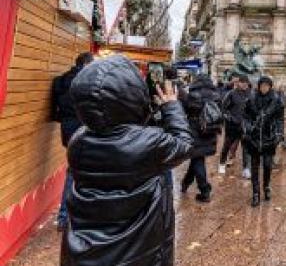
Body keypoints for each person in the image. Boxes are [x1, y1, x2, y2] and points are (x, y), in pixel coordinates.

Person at [61, 55, 194, 266]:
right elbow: (184, 144)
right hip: (139, 253)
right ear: (131, 96)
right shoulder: (147, 142)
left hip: (85, 252)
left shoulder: (79, 141)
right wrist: (171, 106)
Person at [51, 52, 94, 231]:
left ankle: (65, 217)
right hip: (83, 131)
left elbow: (55, 108)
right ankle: (69, 216)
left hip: (67, 132)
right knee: (80, 173)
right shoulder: (86, 82)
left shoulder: (61, 80)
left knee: (75, 171)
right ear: (86, 64)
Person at [243, 76, 284, 207]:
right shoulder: (252, 99)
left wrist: (278, 134)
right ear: (259, 86)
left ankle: (266, 186)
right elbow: (246, 117)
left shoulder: (276, 100)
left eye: (266, 85)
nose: (264, 88)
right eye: (262, 85)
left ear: (270, 87)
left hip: (269, 138)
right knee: (254, 167)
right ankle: (255, 193)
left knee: (267, 165)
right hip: (254, 138)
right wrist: (247, 129)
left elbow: (280, 119)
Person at [182, 74, 220, 202]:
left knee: (197, 159)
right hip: (210, 130)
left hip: (195, 130)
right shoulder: (215, 95)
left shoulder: (192, 95)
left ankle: (204, 190)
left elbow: (184, 109)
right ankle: (186, 182)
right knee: (197, 157)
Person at [219, 75, 252, 175]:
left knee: (246, 148)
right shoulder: (231, 94)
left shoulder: (251, 94)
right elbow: (223, 108)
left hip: (245, 125)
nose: (244, 84)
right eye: (242, 82)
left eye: (246, 82)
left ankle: (246, 168)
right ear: (238, 83)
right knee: (226, 146)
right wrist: (229, 118)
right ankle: (222, 163)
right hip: (232, 126)